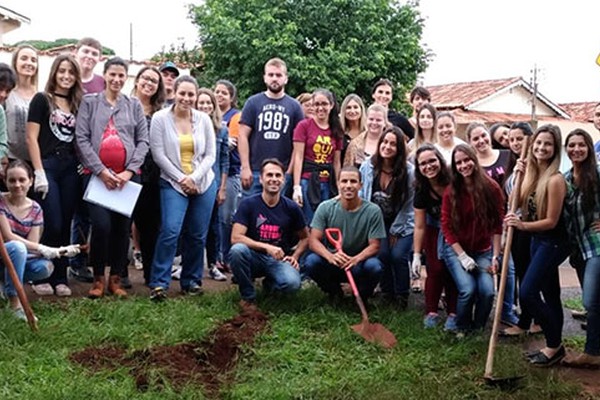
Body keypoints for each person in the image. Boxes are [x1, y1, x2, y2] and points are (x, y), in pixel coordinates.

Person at [75, 57, 149, 299]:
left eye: (121, 75)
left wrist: (129, 172)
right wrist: (102, 171)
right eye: (112, 74)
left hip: (127, 180)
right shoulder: (89, 102)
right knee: (102, 225)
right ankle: (97, 278)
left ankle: (116, 279)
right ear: (104, 75)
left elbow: (143, 141)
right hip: (97, 177)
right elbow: (82, 139)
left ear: (125, 78)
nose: (116, 79)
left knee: (121, 228)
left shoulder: (134, 105)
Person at [505, 124, 569, 366]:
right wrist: (518, 176)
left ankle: (554, 344)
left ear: (555, 149)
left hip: (553, 242)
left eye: (548, 144)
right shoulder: (531, 174)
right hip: (537, 240)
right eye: (539, 143)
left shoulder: (555, 180)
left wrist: (521, 227)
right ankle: (554, 346)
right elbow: (515, 203)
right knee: (551, 293)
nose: (542, 148)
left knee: (528, 292)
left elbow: (551, 222)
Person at [148, 75, 216, 301]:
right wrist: (181, 179)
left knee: (197, 234)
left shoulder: (204, 119)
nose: (186, 98)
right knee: (170, 230)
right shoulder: (159, 118)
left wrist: (194, 178)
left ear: (196, 96)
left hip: (203, 182)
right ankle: (159, 283)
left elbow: (210, 155)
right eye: (183, 93)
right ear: (174, 93)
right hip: (172, 182)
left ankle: (192, 281)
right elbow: (158, 155)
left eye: (191, 94)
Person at [25, 54, 84, 297]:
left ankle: (61, 275)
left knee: (66, 223)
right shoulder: (42, 100)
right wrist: (39, 172)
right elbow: (31, 137)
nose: (66, 76)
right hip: (47, 166)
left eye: (71, 72)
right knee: (52, 220)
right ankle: (42, 273)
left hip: (70, 168)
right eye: (62, 71)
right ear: (54, 73)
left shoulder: (78, 103)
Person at [0, 161, 79, 320]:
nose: (17, 185)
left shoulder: (36, 209)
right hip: (3, 253)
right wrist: (45, 249)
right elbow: (8, 237)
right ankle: (15, 302)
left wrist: (58, 252)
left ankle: (5, 280)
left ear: (31, 181)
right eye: (12, 180)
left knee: (44, 268)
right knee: (17, 247)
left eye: (22, 180)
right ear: (5, 181)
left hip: (19, 256)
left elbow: (32, 247)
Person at [440, 144, 504, 335]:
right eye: (458, 163)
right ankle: (462, 327)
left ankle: (477, 328)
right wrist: (462, 256)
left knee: (487, 292)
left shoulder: (491, 188)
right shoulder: (451, 192)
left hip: (484, 250)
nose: (463, 165)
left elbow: (497, 225)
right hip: (456, 249)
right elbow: (446, 226)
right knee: (468, 290)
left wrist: (496, 256)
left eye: (467, 160)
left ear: (475, 160)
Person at [229, 158, 307, 308]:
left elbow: (305, 237)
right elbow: (236, 237)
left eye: (278, 176)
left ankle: (270, 285)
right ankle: (248, 297)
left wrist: (295, 256)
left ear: (284, 179)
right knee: (237, 251)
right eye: (269, 175)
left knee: (292, 284)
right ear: (261, 179)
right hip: (252, 257)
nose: (274, 179)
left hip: (279, 259)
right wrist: (266, 247)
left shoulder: (291, 207)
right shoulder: (248, 204)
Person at [304, 166, 386, 301]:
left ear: (360, 185)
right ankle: (334, 292)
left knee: (375, 267)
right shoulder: (325, 207)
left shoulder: (373, 211)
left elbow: (375, 245)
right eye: (344, 181)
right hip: (333, 262)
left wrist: (356, 259)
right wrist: (330, 256)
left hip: (359, 264)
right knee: (311, 262)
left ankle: (361, 297)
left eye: (353, 182)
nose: (348, 186)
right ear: (338, 184)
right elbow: (313, 241)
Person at [359, 126, 414, 309]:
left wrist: (395, 230)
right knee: (382, 254)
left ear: (399, 148)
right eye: (385, 142)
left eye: (393, 144)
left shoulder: (409, 172)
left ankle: (402, 296)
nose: (387, 146)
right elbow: (363, 195)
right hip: (376, 222)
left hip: (403, 221)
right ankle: (387, 292)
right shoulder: (368, 166)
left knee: (398, 256)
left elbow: (409, 205)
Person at [562, 129, 600, 368]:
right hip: (577, 249)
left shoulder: (597, 175)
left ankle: (593, 352)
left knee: (590, 301)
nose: (576, 149)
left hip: (596, 245)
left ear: (589, 148)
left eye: (581, 145)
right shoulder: (564, 178)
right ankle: (594, 349)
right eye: (572, 145)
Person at [238, 58, 304, 196]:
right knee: (252, 215)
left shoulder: (295, 106)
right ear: (264, 78)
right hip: (255, 171)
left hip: (282, 172)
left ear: (286, 78)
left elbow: (298, 145)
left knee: (280, 215)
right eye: (271, 75)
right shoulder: (253, 103)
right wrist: (245, 167)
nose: (275, 78)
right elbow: (242, 136)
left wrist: (289, 172)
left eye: (279, 75)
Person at [69, 37, 105, 284]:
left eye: (94, 53)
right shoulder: (67, 77)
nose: (89, 56)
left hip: (93, 159)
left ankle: (82, 262)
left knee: (88, 213)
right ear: (76, 52)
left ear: (99, 58)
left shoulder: (101, 83)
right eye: (86, 51)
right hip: (65, 155)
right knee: (71, 214)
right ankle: (70, 261)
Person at [500, 121, 542, 336]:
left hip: (529, 227)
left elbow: (532, 197)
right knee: (521, 274)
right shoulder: (515, 163)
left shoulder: (536, 165)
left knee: (527, 276)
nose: (515, 143)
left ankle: (533, 320)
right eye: (512, 139)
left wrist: (525, 174)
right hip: (515, 226)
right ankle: (527, 319)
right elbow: (510, 199)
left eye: (519, 138)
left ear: (529, 139)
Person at [413, 144, 458, 330]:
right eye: (423, 164)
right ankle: (431, 311)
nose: (428, 166)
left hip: (457, 231)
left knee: (452, 271)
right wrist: (416, 254)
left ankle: (453, 312)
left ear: (440, 160)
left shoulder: (455, 181)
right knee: (435, 269)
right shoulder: (421, 190)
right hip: (433, 231)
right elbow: (419, 224)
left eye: (432, 160)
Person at [130, 66, 165, 285]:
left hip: (153, 176)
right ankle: (118, 276)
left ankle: (151, 275)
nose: (149, 83)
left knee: (150, 227)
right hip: (126, 174)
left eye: (154, 80)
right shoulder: (124, 105)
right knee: (121, 224)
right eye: (145, 78)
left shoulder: (161, 112)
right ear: (137, 80)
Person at [292, 88, 342, 223]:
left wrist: (339, 186)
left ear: (331, 105)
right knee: (309, 222)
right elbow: (298, 157)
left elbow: (337, 162)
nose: (320, 108)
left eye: (324, 104)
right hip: (308, 181)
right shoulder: (304, 126)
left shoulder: (336, 129)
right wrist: (296, 187)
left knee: (326, 223)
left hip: (328, 182)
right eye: (317, 104)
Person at [197, 87, 228, 281]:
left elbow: (225, 161)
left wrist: (222, 187)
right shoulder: (188, 126)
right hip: (191, 182)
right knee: (192, 227)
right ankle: (187, 264)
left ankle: (213, 264)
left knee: (213, 227)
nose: (205, 106)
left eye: (208, 103)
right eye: (201, 103)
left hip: (213, 183)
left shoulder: (221, 129)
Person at [214, 79, 241, 269]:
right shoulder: (210, 114)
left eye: (224, 92)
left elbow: (232, 142)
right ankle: (216, 257)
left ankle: (227, 257)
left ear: (231, 97)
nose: (220, 95)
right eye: (217, 91)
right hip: (212, 173)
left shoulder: (236, 116)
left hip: (231, 172)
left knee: (226, 218)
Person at [6, 45, 38, 161]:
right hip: (9, 158)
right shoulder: (7, 93)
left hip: (34, 160)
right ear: (15, 62)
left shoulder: (41, 96)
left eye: (33, 60)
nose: (29, 63)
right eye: (24, 58)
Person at [339, 93, 366, 162]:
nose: (352, 111)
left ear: (361, 109)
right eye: (348, 108)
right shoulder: (339, 133)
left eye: (355, 107)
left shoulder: (368, 133)